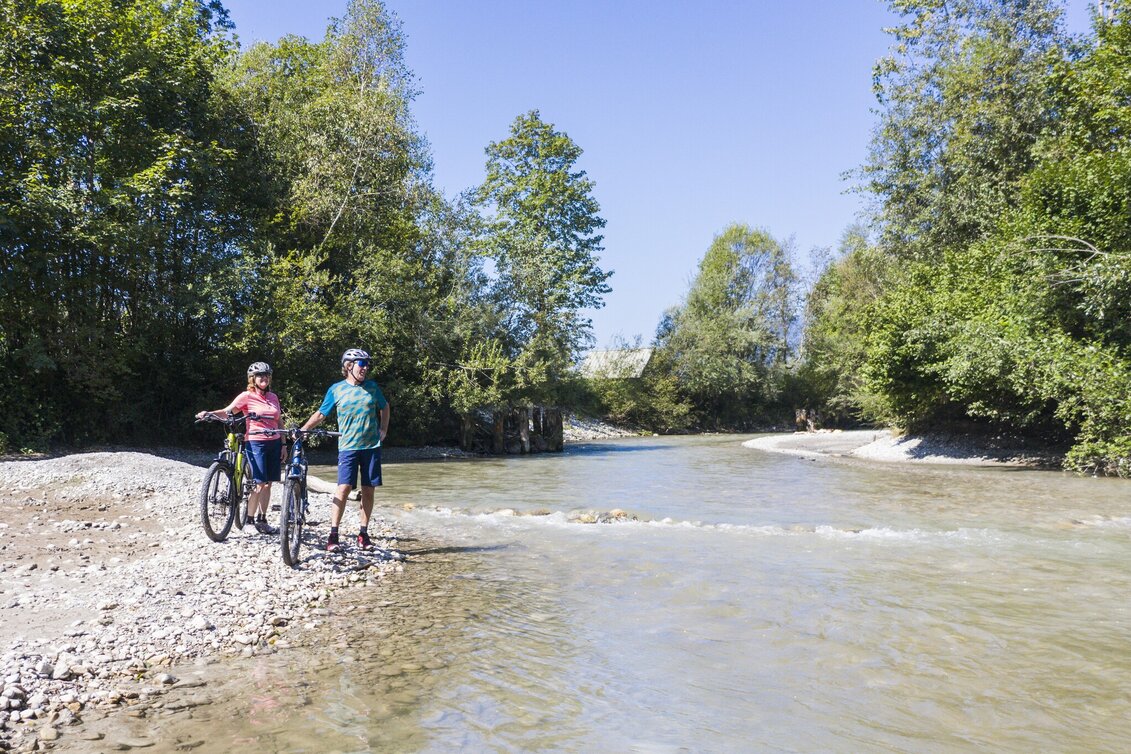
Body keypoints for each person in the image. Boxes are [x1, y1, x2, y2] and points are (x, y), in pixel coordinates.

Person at [300, 348, 390, 552]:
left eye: (367, 364)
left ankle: (363, 534)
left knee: (368, 489)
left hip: (371, 447)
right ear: (349, 366)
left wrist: (383, 429)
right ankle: (333, 535)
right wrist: (304, 429)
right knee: (343, 488)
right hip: (348, 447)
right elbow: (322, 414)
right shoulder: (336, 389)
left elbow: (385, 407)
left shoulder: (372, 388)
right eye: (361, 364)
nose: (365, 368)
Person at [196, 362, 284, 535]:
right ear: (253, 379)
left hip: (274, 442)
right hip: (255, 442)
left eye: (266, 375)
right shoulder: (247, 396)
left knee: (268, 484)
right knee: (258, 482)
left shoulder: (273, 397)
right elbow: (228, 411)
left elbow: (279, 421)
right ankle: (249, 521)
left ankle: (262, 520)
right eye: (260, 375)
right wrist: (209, 414)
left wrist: (283, 444)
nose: (263, 378)